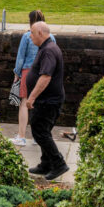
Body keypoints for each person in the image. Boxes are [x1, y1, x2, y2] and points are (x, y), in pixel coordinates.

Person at [24, 21, 68, 181]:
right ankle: (46, 163)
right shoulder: (46, 48)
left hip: (48, 101)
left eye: (32, 33)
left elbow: (45, 76)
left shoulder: (49, 50)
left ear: (40, 33)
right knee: (42, 130)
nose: (30, 36)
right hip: (47, 100)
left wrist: (32, 97)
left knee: (40, 131)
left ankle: (58, 163)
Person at [10, 10, 52, 146]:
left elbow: (20, 57)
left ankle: (21, 136)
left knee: (24, 103)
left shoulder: (27, 36)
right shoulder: (51, 37)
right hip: (44, 73)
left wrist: (16, 73)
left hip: (28, 71)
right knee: (39, 104)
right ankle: (37, 137)